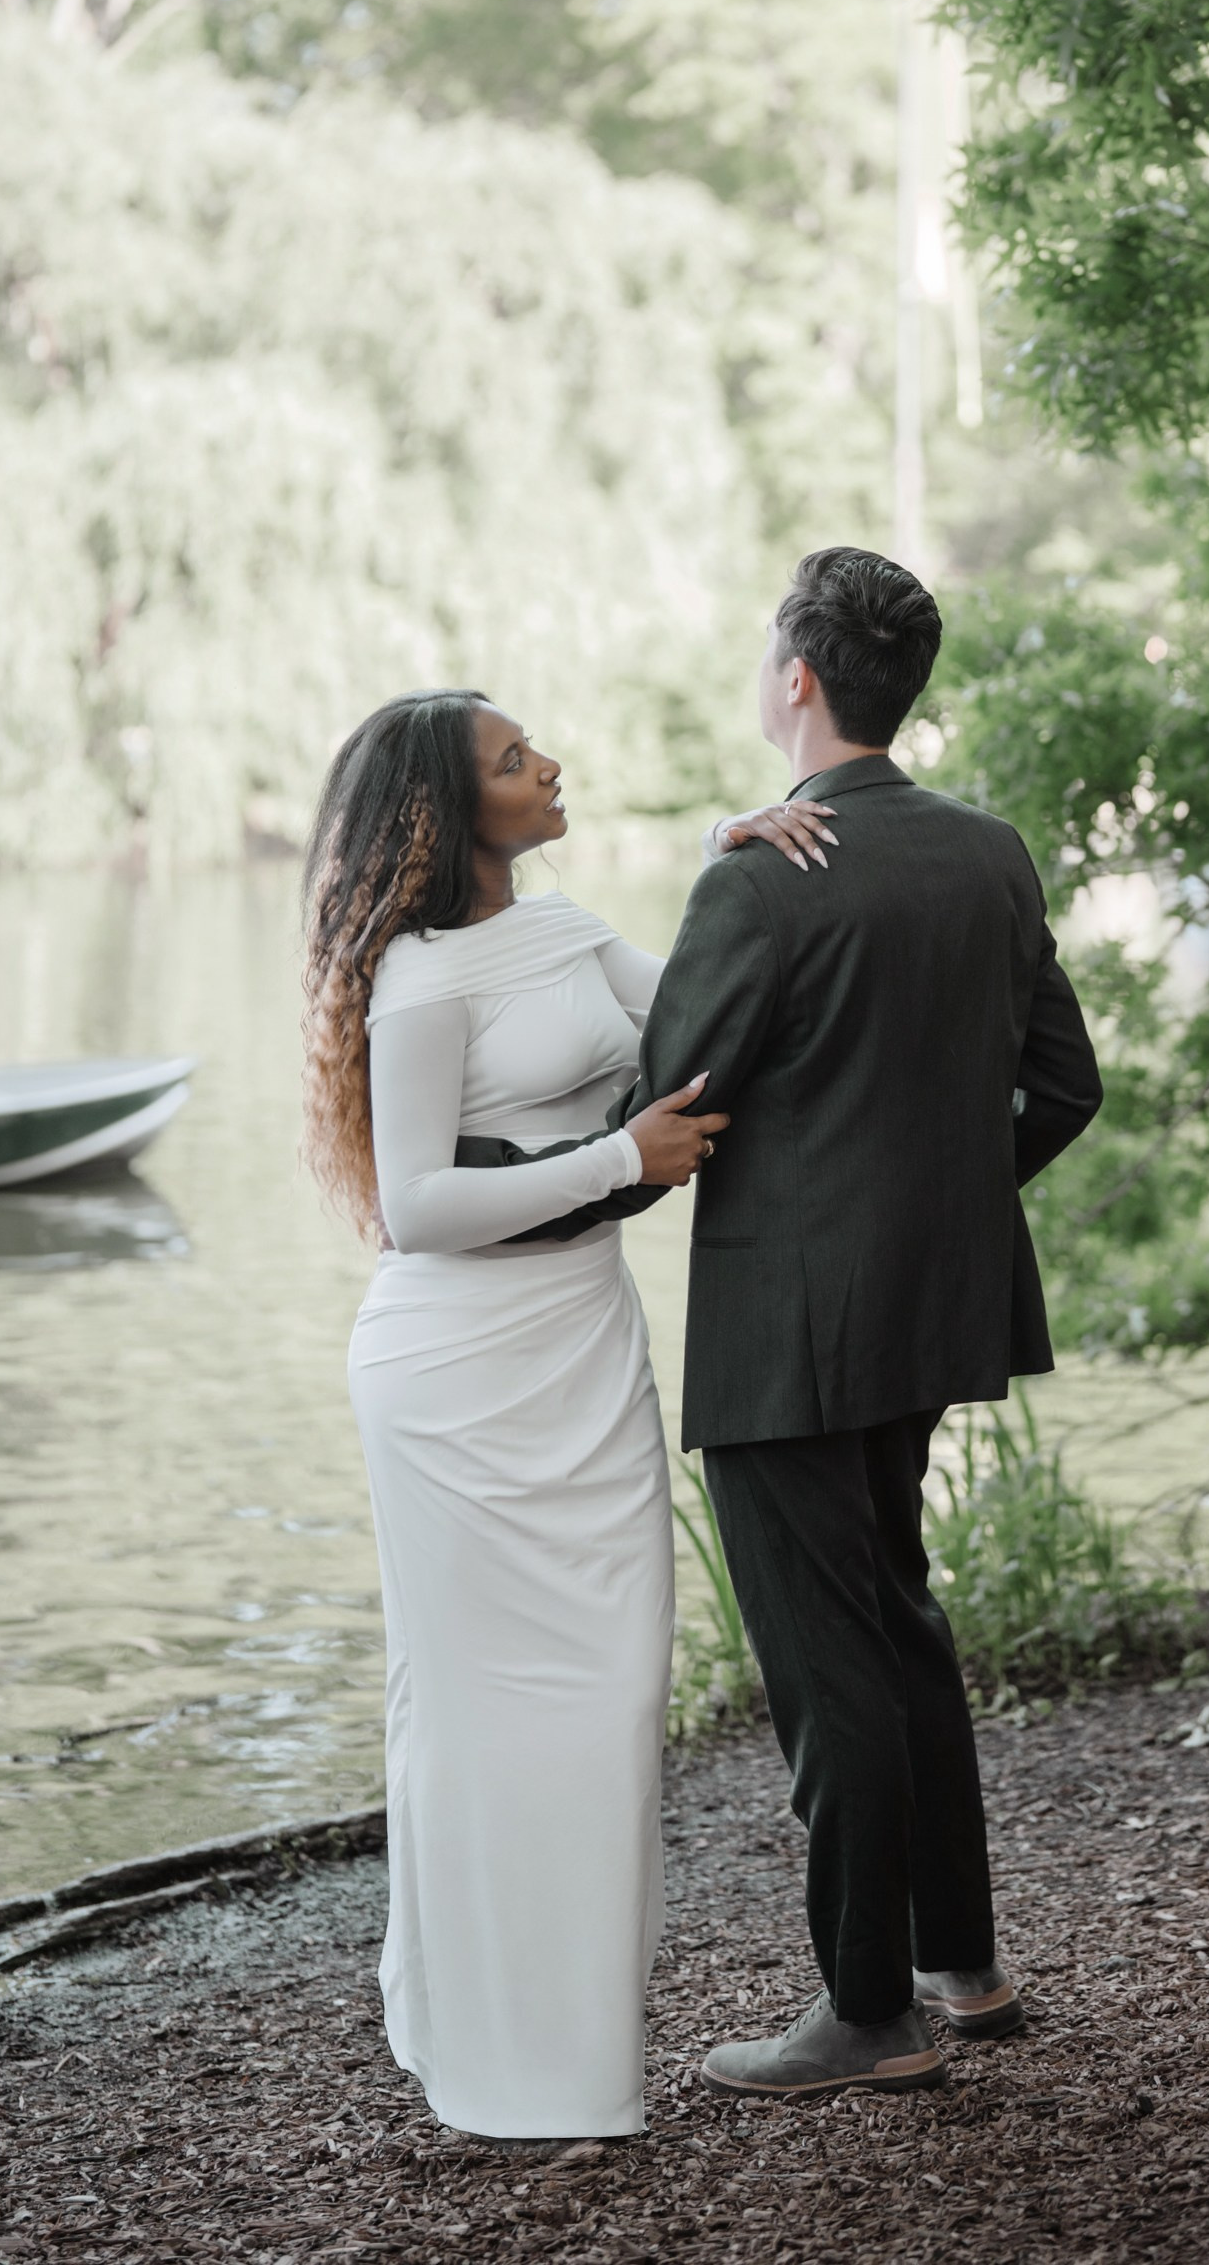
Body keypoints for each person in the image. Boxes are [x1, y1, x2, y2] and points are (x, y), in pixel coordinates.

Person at [300, 690, 831, 2139]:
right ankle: (515, 2069)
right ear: (446, 811)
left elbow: (705, 1021)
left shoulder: (571, 926)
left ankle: (574, 2044)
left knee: (612, 1701)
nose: (549, 767)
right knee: (479, 1719)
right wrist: (614, 1159)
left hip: (584, 1349)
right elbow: (414, 1206)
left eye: (537, 749)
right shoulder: (416, 978)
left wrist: (736, 862)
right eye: (514, 760)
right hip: (455, 1377)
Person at [611, 546, 1103, 2097]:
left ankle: (864, 2008)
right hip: (930, 1317)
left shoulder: (764, 876)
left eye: (769, 647)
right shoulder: (990, 852)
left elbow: (665, 1108)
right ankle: (967, 1966)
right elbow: (1067, 1087)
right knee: (898, 1620)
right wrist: (940, 1207)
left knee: (833, 1668)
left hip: (789, 1338)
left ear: (800, 676)